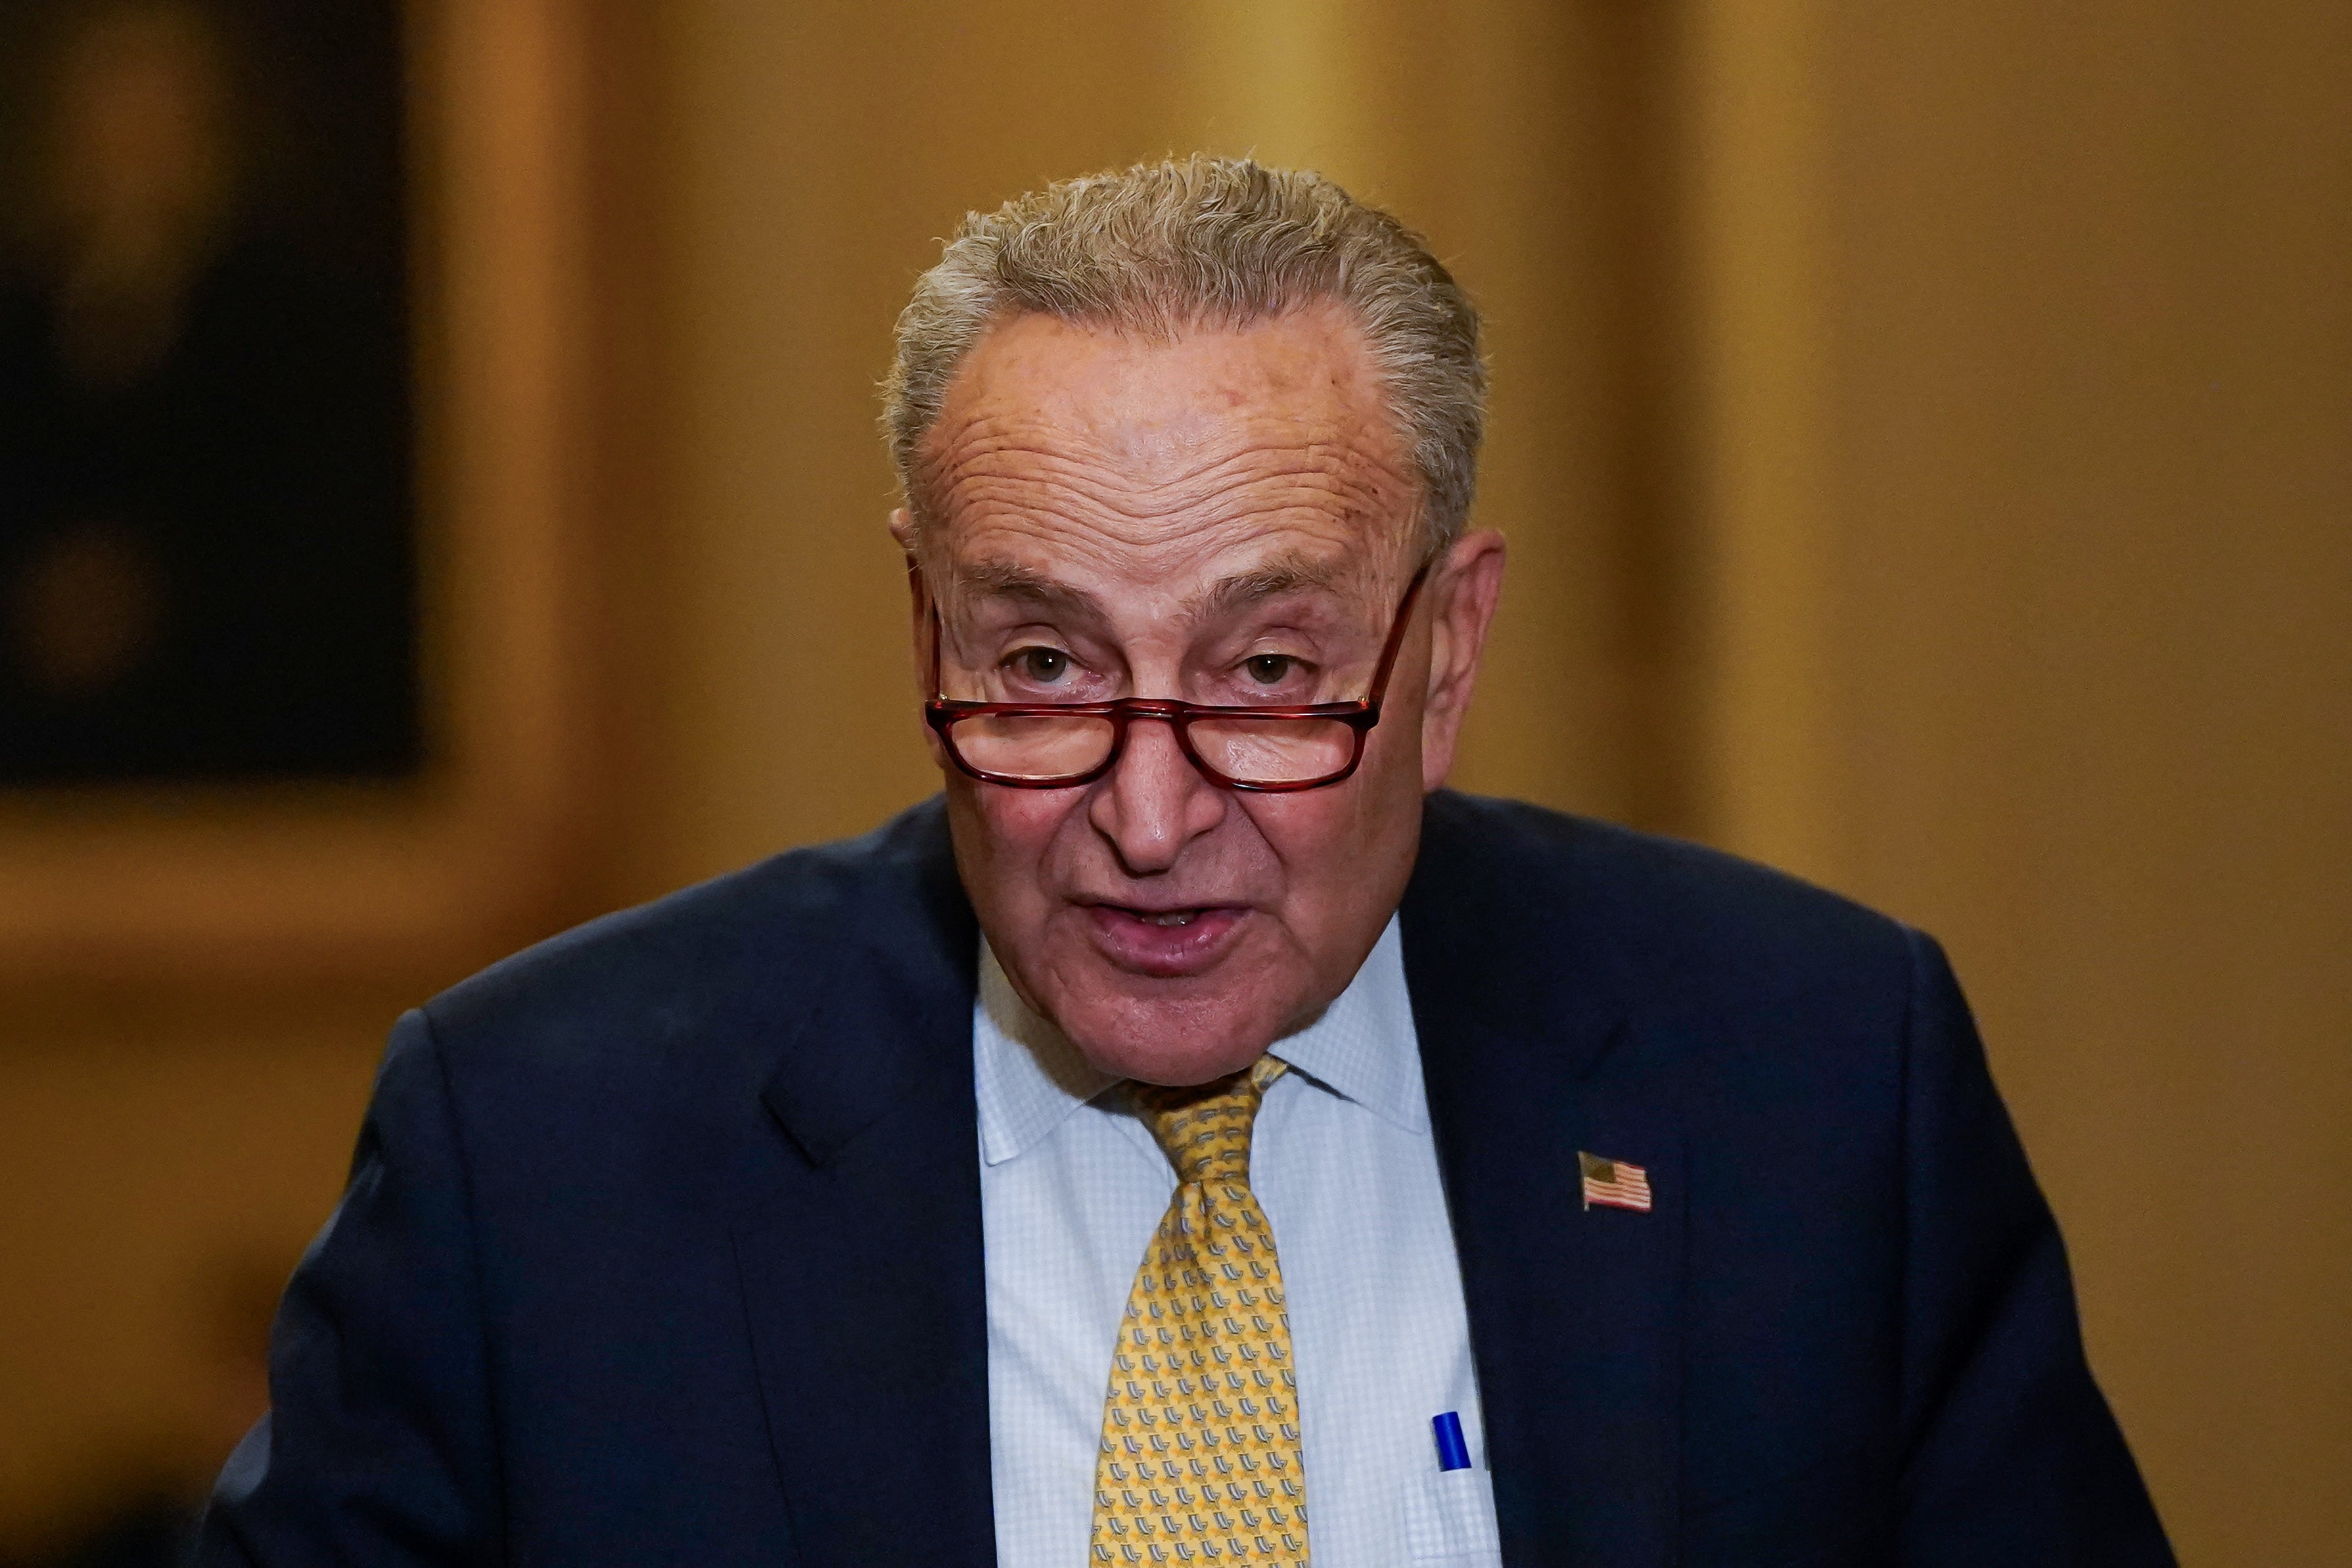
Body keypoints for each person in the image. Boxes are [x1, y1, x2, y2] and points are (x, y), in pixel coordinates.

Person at [197, 158, 2172, 1567]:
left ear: (1446, 653)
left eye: (1267, 672)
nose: (1145, 820)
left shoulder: (1815, 1082)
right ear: (924, 635)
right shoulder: (542, 1146)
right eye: (1042, 663)